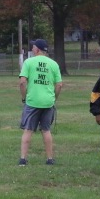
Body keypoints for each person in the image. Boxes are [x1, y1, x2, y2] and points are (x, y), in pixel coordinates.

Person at [18, 38, 63, 166]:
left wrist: (24, 97)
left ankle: (23, 159)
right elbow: (59, 85)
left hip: (32, 101)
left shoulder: (29, 62)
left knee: (28, 130)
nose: (32, 49)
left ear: (37, 49)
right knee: (46, 130)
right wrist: (54, 97)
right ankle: (49, 159)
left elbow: (22, 82)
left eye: (33, 47)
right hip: (48, 102)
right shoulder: (53, 64)